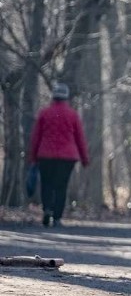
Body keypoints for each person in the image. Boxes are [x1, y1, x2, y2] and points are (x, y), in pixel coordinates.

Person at [28, 82, 89, 227]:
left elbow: (36, 136)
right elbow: (80, 138)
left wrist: (33, 157)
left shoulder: (44, 113)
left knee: (47, 184)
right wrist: (84, 158)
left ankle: (47, 209)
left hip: (46, 155)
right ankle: (57, 217)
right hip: (67, 157)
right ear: (66, 97)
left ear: (53, 96)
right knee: (61, 186)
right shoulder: (72, 115)